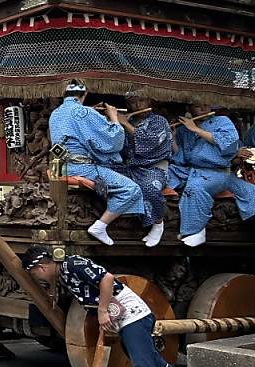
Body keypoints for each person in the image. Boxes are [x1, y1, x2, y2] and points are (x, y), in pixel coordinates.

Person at [22, 247, 186, 367]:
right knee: (157, 364)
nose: (39, 279)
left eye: (35, 274)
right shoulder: (63, 273)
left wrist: (101, 312)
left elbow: (107, 279)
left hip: (133, 316)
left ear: (41, 267)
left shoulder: (73, 264)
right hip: (124, 319)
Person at [49, 79, 145, 245]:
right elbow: (112, 140)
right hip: (81, 167)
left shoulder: (55, 113)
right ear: (85, 94)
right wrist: (114, 117)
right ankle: (100, 225)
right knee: (132, 189)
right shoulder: (84, 112)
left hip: (60, 165)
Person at [168, 104, 255, 247]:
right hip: (194, 170)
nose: (203, 109)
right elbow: (182, 157)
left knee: (196, 188)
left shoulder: (222, 121)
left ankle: (196, 231)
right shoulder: (184, 129)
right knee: (168, 177)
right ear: (189, 109)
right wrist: (173, 139)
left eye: (206, 105)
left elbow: (230, 147)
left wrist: (196, 129)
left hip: (218, 171)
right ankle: (195, 230)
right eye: (197, 106)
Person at [113, 93, 173, 247]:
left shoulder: (159, 121)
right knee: (102, 175)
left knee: (149, 187)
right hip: (131, 167)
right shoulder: (130, 120)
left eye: (142, 100)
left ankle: (158, 223)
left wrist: (125, 124)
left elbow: (150, 143)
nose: (138, 105)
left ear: (150, 100)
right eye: (133, 102)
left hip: (154, 168)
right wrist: (113, 122)